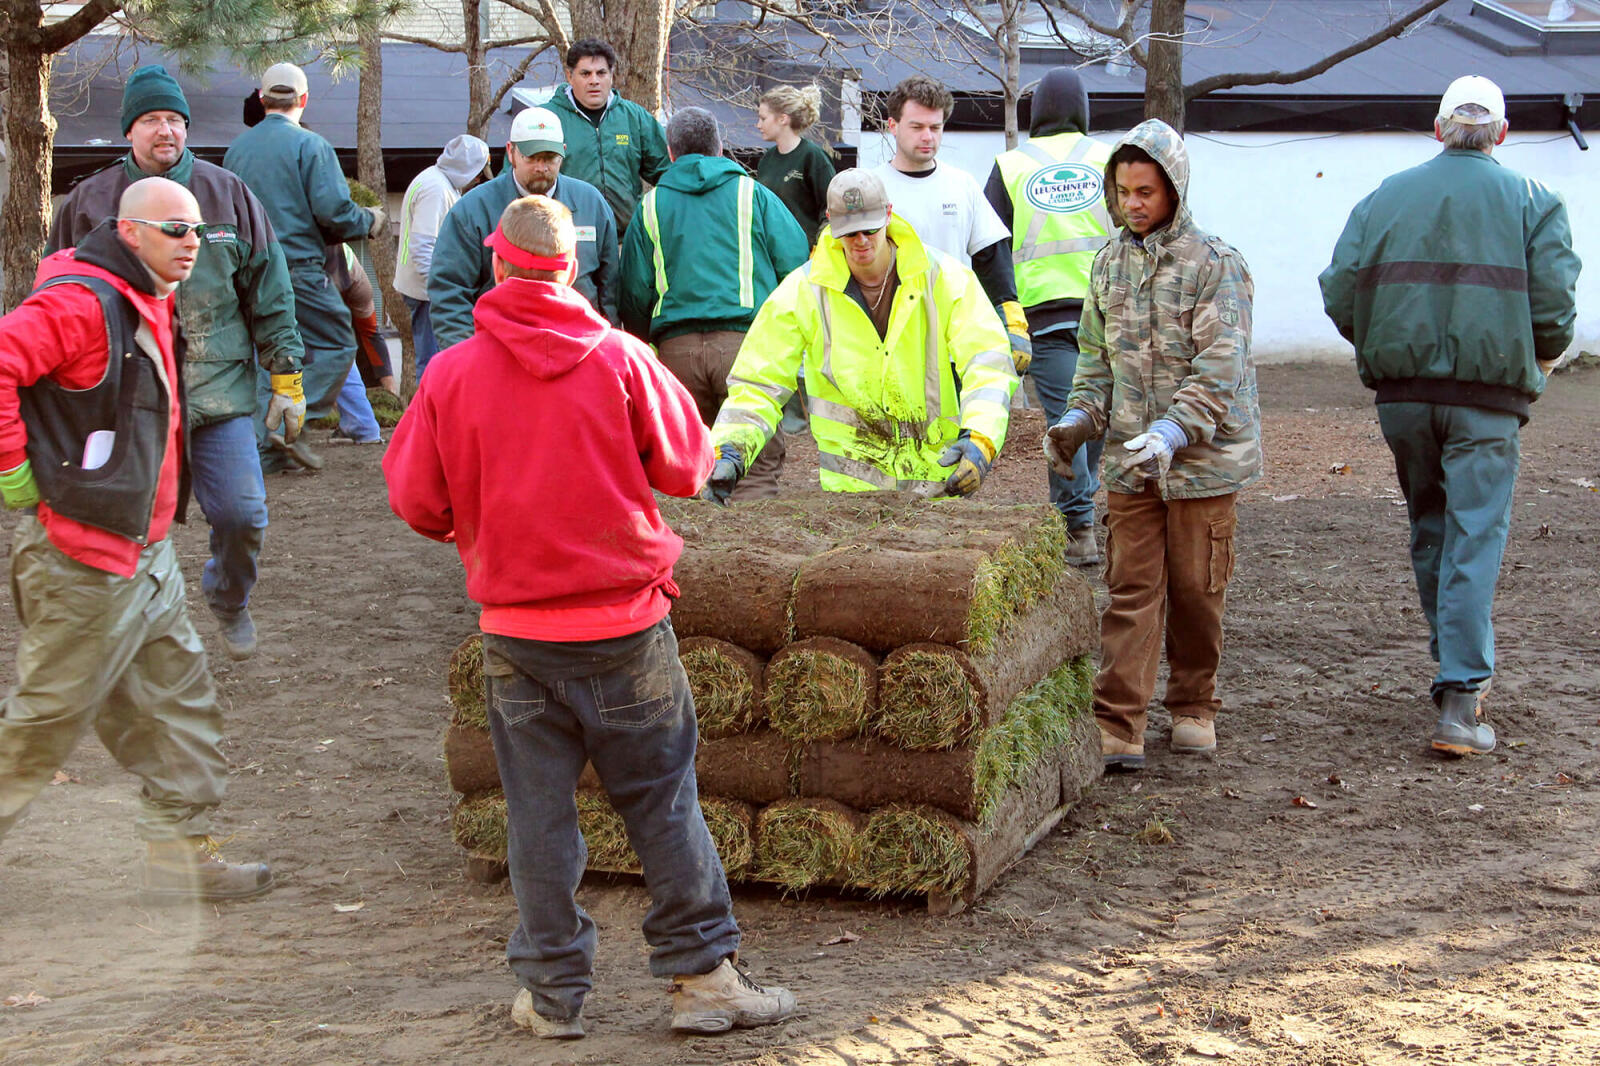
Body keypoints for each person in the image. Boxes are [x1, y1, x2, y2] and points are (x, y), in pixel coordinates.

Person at [384, 194, 796, 1038]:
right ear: (571, 269)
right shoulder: (622, 358)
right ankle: (702, 979)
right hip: (625, 633)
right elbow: (689, 467)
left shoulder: (451, 374)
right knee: (662, 804)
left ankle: (551, 996)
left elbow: (417, 503)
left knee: (537, 816)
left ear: (497, 264)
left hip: (517, 638)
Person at [0, 177, 274, 901]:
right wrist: (13, 476)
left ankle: (177, 861)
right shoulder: (80, 302)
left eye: (198, 232)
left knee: (179, 707)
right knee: (39, 727)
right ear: (129, 233)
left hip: (144, 556)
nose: (193, 244)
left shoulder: (144, 294)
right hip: (81, 559)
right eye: (175, 231)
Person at [1318, 75, 1581, 757]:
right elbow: (1554, 308)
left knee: (1431, 528)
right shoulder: (1535, 200)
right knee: (1475, 537)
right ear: (1501, 133)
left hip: (1403, 400)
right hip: (1489, 402)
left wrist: (1383, 344)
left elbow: (1339, 287)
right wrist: (1539, 365)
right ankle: (1462, 699)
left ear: (1438, 129)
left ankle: (1454, 675)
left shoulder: (1383, 196)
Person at [48, 65, 305, 660]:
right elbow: (55, 296)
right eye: (151, 120)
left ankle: (229, 597)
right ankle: (128, 637)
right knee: (120, 525)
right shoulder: (89, 203)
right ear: (128, 131)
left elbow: (271, 288)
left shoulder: (227, 194)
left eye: (174, 120)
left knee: (243, 515)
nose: (166, 131)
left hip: (216, 390)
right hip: (124, 398)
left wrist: (287, 377)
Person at [1045, 119, 1260, 771]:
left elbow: (1222, 364)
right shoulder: (1108, 263)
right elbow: (1093, 357)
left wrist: (1172, 431)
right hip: (1130, 466)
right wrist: (1080, 419)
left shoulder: (1215, 264)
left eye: (1145, 191)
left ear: (1175, 190)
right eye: (1122, 191)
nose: (1133, 203)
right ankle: (1120, 723)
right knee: (1131, 589)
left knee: (1197, 591)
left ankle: (1194, 706)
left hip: (1201, 465)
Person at [707, 169, 1018, 500]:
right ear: (830, 222)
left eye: (869, 228)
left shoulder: (943, 278)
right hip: (851, 493)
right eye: (849, 232)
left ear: (888, 213)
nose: (861, 241)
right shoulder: (805, 291)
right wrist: (730, 450)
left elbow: (987, 361)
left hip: (938, 482)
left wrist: (981, 438)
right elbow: (759, 381)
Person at [620, 107, 808, 501]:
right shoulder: (752, 194)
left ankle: (694, 560)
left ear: (670, 153)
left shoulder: (650, 207)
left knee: (688, 471)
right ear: (721, 148)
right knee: (753, 465)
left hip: (676, 354)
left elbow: (635, 291)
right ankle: (752, 555)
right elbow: (795, 263)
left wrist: (648, 348)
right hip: (745, 347)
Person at [223, 62, 388, 465]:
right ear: (304, 100)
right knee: (335, 344)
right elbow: (334, 212)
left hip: (247, 273)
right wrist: (370, 219)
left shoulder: (236, 151)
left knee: (271, 357)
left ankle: (270, 453)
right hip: (299, 269)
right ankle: (281, 425)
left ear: (262, 100)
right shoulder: (311, 146)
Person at [985, 67, 1114, 567]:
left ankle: (1074, 520)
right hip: (1107, 312)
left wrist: (1003, 308)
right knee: (1089, 422)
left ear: (1034, 111)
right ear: (1084, 106)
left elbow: (989, 246)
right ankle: (1078, 526)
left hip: (1043, 315)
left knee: (1071, 420)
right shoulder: (1109, 158)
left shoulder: (1010, 164)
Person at [870, 75, 1030, 377]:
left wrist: (1012, 323)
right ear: (893, 126)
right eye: (917, 127)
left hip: (953, 342)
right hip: (888, 342)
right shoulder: (873, 188)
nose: (927, 136)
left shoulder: (962, 186)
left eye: (935, 127)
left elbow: (993, 263)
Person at [428, 106, 618, 349]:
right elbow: (449, 294)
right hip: (498, 353)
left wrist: (604, 350)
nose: (541, 167)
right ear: (511, 152)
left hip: (579, 349)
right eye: (531, 157)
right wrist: (471, 359)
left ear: (563, 153)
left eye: (549, 158)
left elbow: (610, 290)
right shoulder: (472, 210)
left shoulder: (591, 203)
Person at [541, 39, 669, 232]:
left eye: (601, 73)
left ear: (611, 75)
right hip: (566, 240)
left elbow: (668, 173)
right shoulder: (547, 119)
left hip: (625, 240)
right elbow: (519, 179)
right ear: (569, 75)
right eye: (585, 73)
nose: (594, 80)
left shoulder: (634, 118)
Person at [393, 134, 491, 378]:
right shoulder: (436, 189)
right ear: (466, 168)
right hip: (427, 293)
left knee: (437, 362)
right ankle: (430, 415)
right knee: (432, 365)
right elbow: (423, 245)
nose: (478, 179)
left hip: (426, 289)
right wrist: (439, 290)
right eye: (477, 173)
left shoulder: (436, 179)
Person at [754, 84, 835, 246]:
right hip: (772, 254)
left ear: (783, 119)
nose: (758, 125)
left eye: (763, 119)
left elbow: (833, 208)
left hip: (806, 256)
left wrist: (819, 246)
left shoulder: (813, 157)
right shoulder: (766, 160)